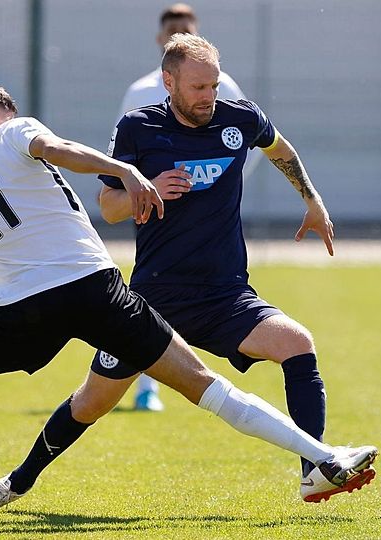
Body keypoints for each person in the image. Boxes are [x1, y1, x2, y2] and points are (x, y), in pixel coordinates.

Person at [0, 81, 377, 528]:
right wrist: (125, 171)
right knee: (201, 385)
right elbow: (57, 150)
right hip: (92, 287)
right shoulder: (12, 132)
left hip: (20, 304)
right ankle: (326, 457)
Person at [119, 2, 262, 412]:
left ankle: (155, 372)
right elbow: (118, 165)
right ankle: (145, 381)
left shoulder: (226, 87)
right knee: (154, 291)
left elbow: (247, 143)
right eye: (171, 28)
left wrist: (217, 183)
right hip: (157, 209)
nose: (207, 95)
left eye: (185, 26)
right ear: (162, 39)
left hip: (209, 216)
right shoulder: (140, 93)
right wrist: (144, 189)